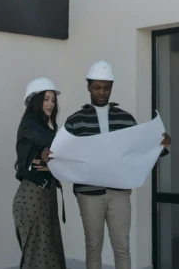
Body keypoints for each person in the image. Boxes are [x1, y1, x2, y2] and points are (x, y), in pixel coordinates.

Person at [61, 60, 172, 269]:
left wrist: (160, 146)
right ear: (88, 87)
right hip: (88, 194)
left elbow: (138, 151)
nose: (102, 92)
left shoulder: (125, 119)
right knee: (93, 247)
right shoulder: (75, 121)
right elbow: (63, 154)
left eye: (106, 88)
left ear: (111, 88)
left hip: (119, 193)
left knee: (122, 247)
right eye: (97, 88)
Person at [13, 77, 67, 269]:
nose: (51, 103)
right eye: (46, 99)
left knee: (49, 255)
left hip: (45, 196)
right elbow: (56, 143)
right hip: (33, 197)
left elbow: (58, 150)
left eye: (53, 99)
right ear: (35, 100)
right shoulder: (29, 123)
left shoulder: (45, 127)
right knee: (38, 258)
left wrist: (52, 162)